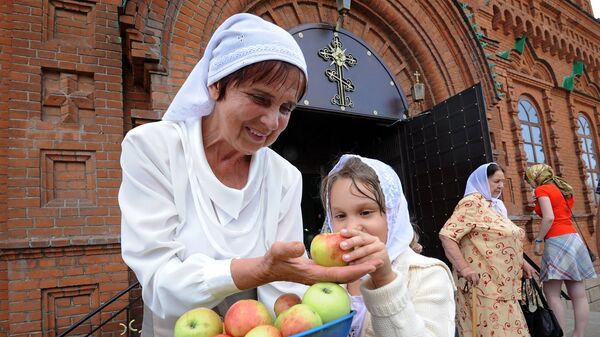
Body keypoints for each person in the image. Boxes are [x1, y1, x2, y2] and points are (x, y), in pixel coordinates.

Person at [119, 14, 379, 337]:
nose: (272, 122)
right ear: (216, 84)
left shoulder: (285, 178)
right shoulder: (154, 150)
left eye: (286, 108)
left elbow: (281, 294)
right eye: (260, 98)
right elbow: (160, 286)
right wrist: (258, 269)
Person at [321, 154, 456, 337]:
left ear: (393, 214)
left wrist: (384, 280)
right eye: (340, 216)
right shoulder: (328, 275)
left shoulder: (428, 274)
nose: (351, 227)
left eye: (366, 212)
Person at [439, 163, 537, 337]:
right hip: (484, 287)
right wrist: (465, 268)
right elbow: (447, 235)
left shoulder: (493, 206)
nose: (500, 186)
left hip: (503, 285)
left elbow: (502, 239)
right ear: (483, 180)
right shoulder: (471, 203)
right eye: (496, 181)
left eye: (503, 182)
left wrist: (522, 263)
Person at [524, 164, 597, 337]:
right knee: (578, 294)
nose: (530, 185)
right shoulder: (561, 188)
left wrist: (538, 239)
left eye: (530, 181)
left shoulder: (542, 189)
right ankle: (578, 334)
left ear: (536, 177)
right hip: (573, 238)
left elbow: (549, 217)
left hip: (556, 240)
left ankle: (560, 334)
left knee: (551, 293)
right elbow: (560, 211)